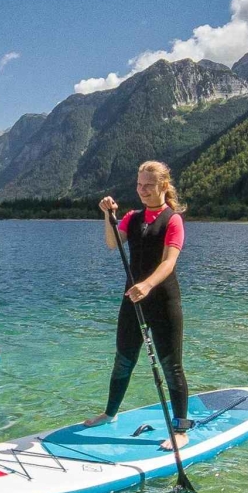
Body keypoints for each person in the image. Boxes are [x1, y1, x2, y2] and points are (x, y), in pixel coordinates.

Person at [89, 160, 191, 447]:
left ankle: (181, 430)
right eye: (139, 184)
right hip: (133, 300)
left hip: (163, 301)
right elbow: (113, 243)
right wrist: (108, 216)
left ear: (163, 186)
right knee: (123, 360)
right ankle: (110, 414)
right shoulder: (132, 218)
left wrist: (147, 284)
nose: (142, 189)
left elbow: (169, 263)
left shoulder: (173, 220)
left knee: (171, 366)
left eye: (148, 185)